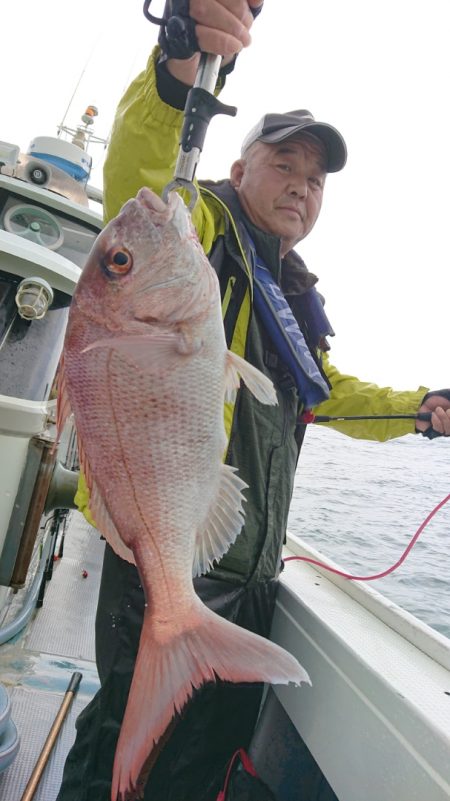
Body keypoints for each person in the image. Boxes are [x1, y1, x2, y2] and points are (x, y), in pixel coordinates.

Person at [56, 2, 450, 800]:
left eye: (315, 179)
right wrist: (177, 65)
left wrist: (421, 406)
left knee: (203, 765)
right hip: (167, 560)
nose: (301, 188)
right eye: (285, 165)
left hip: (246, 569)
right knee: (119, 766)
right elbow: (139, 168)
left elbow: (330, 393)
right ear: (238, 171)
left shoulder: (293, 296)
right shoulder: (195, 228)